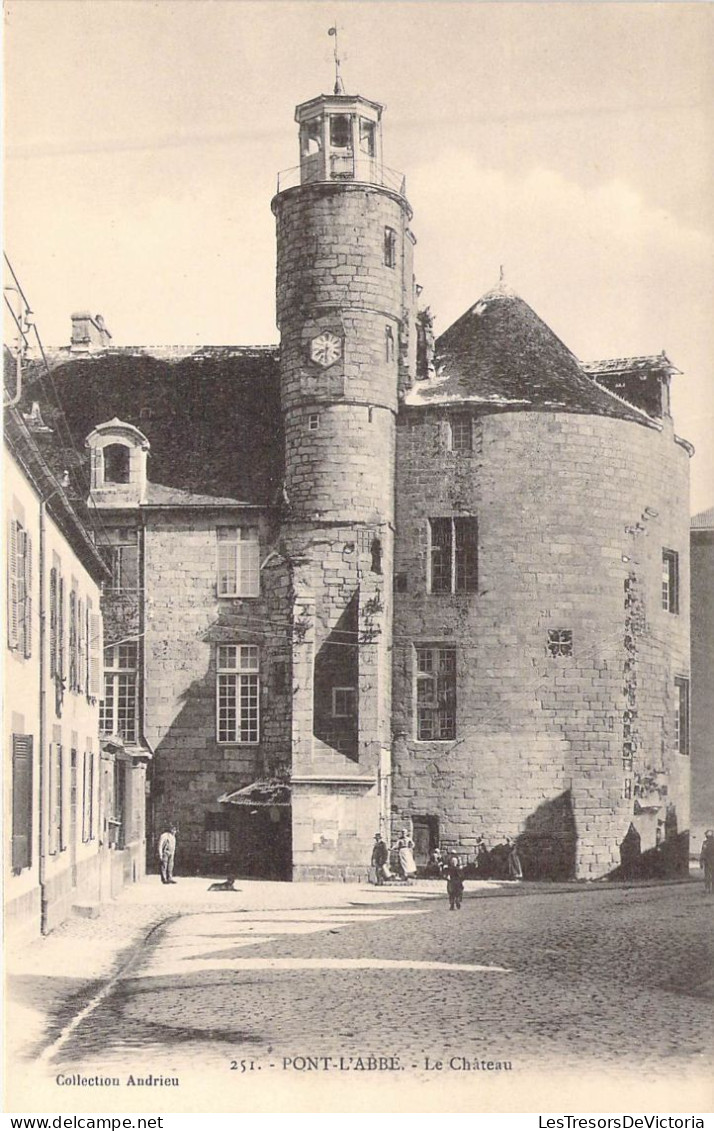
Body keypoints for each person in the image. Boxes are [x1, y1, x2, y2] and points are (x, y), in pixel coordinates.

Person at [700, 829, 714, 894]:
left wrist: (701, 862)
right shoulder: (705, 843)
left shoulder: (705, 843)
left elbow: (703, 853)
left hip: (707, 861)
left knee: (707, 875)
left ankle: (707, 889)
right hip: (709, 861)